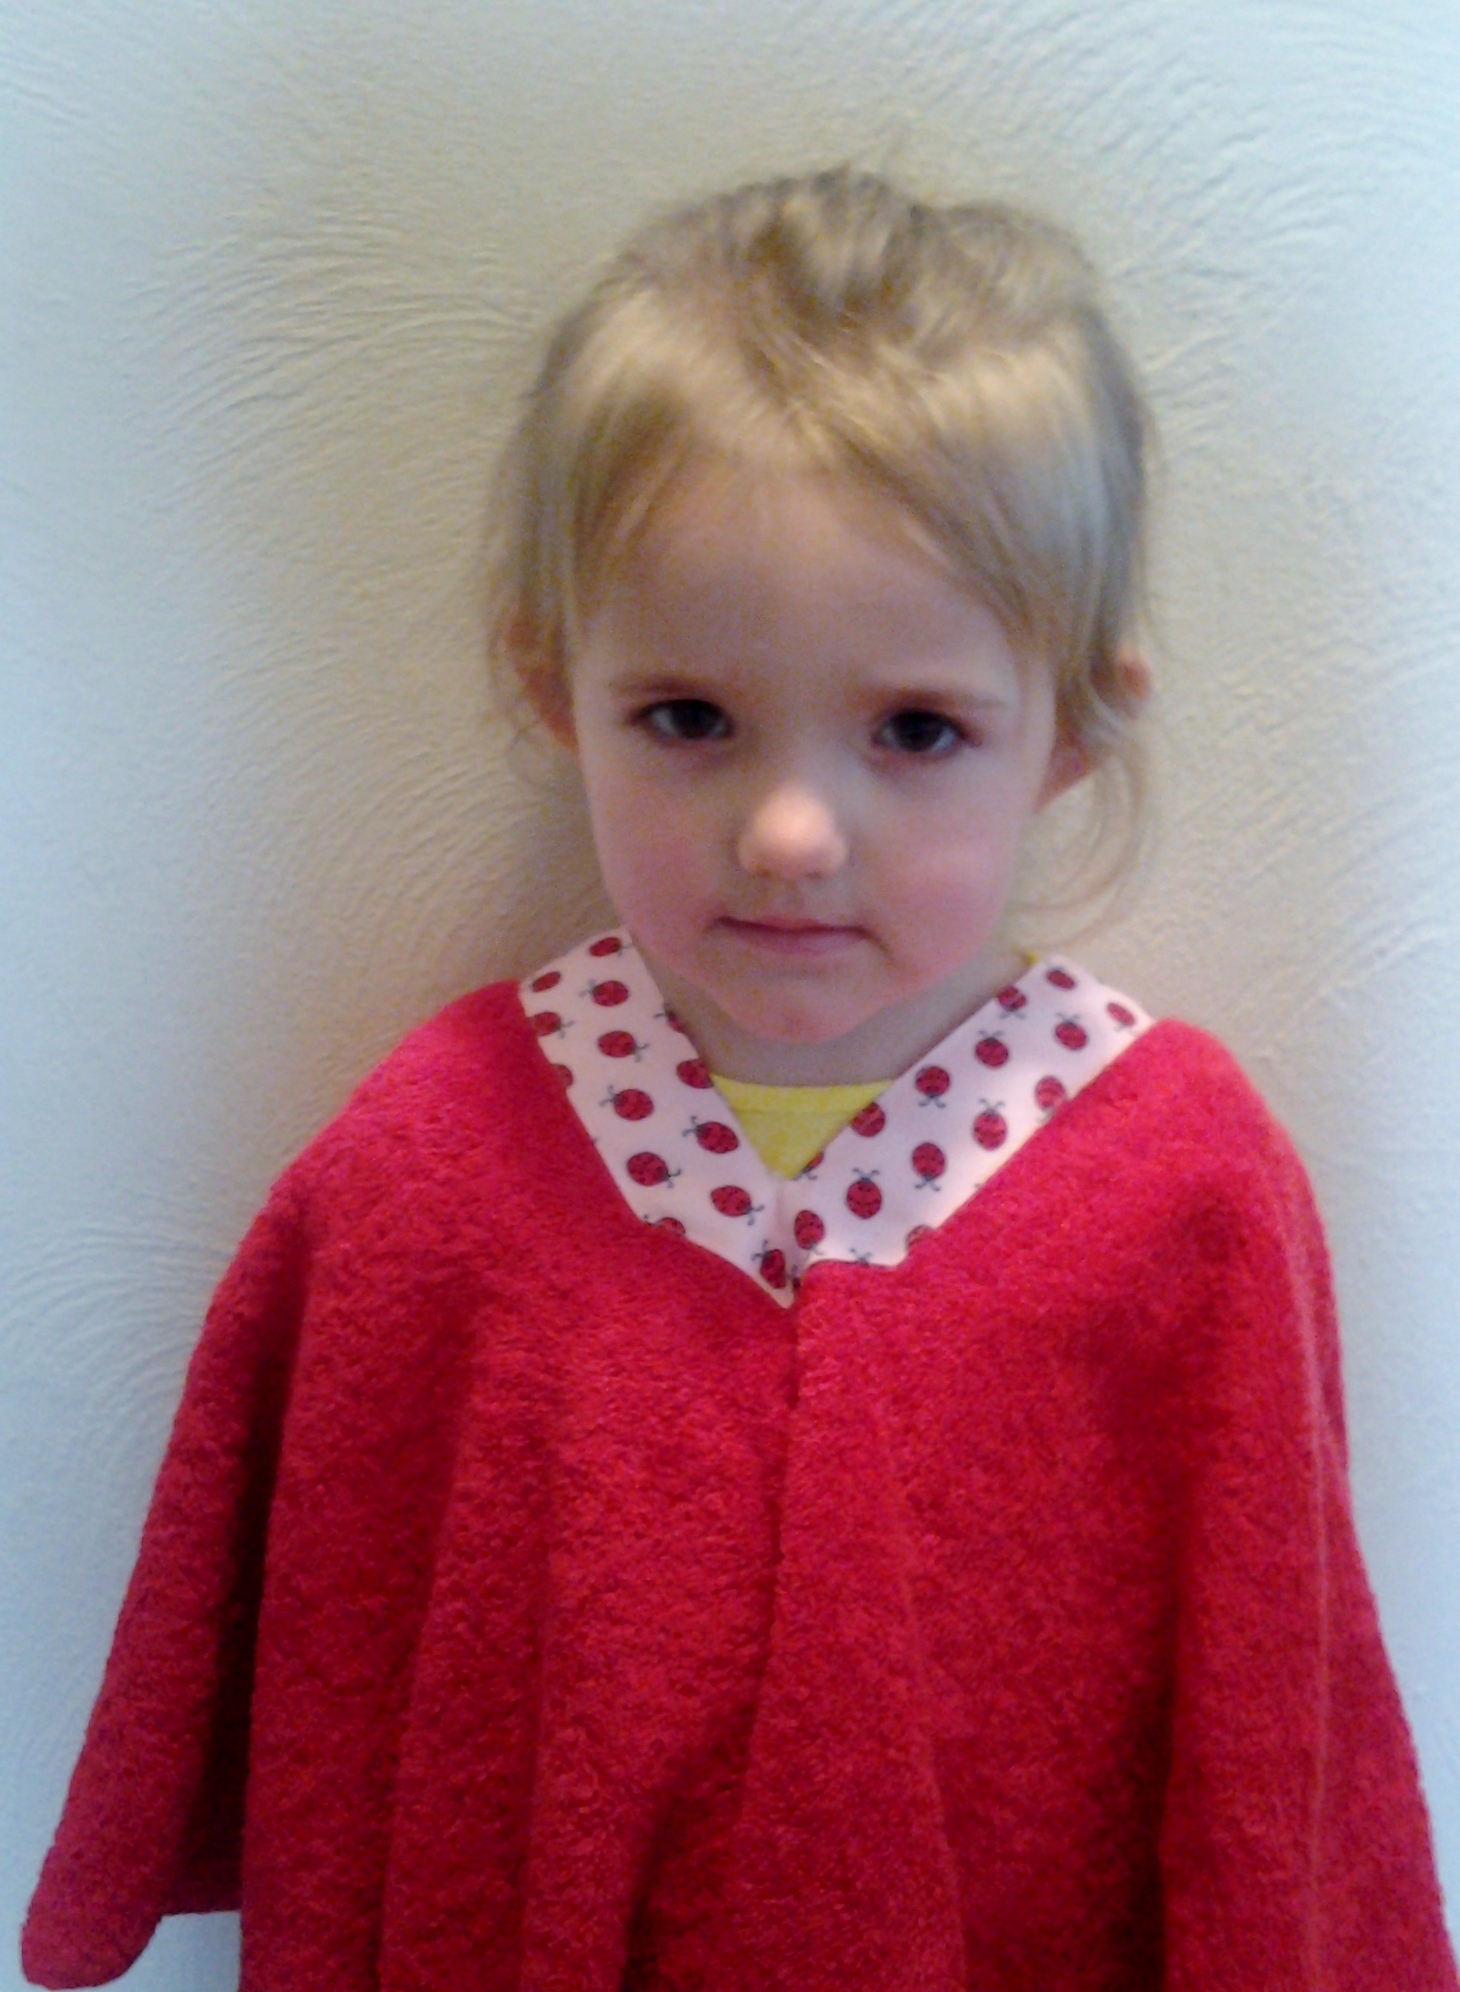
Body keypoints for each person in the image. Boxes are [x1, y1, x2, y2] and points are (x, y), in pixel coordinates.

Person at [23, 168, 1458, 1991]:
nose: (787, 833)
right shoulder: (435, 1159)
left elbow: (1274, 1740)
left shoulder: (1190, 1194)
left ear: (1072, 731)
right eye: (689, 717)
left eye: (916, 729)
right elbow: (333, 1660)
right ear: (558, 692)